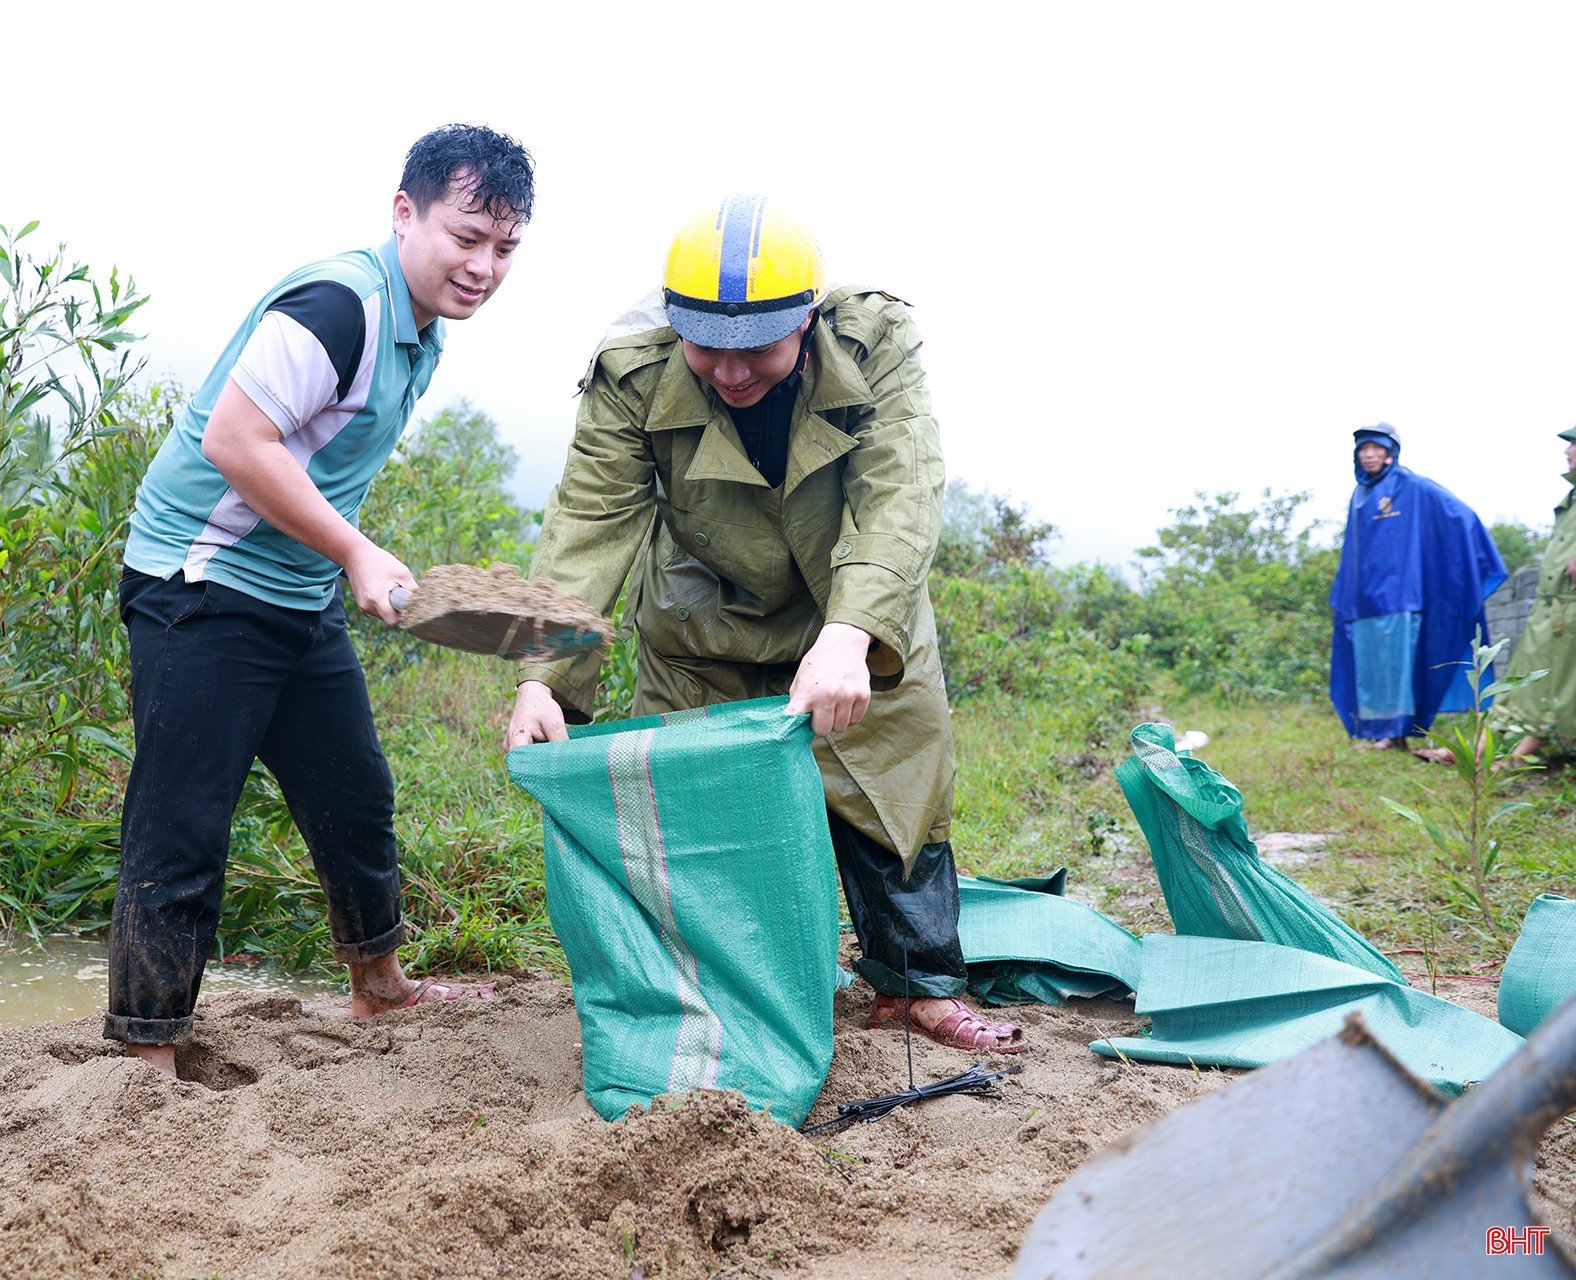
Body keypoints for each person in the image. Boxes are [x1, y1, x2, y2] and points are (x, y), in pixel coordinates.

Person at [505, 195, 1024, 1054]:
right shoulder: (632, 371)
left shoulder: (874, 341)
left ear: (808, 322)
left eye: (757, 350)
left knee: (893, 775)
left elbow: (899, 493)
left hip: (851, 597)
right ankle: (730, 996)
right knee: (700, 802)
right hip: (702, 614)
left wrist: (852, 636)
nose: (732, 371)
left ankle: (916, 989)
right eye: (707, 348)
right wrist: (540, 678)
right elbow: (589, 529)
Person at [110, 124, 534, 1077]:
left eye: (504, 248)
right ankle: (142, 1054)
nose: (483, 267)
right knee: (183, 819)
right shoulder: (340, 307)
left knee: (354, 794)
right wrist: (354, 550)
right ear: (404, 213)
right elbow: (235, 441)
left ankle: (379, 986)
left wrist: (342, 562)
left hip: (293, 593)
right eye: (465, 238)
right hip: (200, 582)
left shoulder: (422, 332)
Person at [1328, 424, 1507, 759]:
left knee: (1398, 669)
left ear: (1390, 453)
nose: (1368, 455)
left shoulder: (1412, 486)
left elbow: (1460, 514)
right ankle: (1377, 732)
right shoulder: (1360, 495)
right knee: (1372, 670)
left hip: (1401, 598)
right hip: (1365, 602)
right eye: (1362, 450)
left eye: (1375, 448)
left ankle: (1397, 735)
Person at [1493, 426, 1576, 763]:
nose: (1567, 450)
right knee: (1530, 682)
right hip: (1551, 607)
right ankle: (1491, 749)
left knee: (1554, 684)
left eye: (1573, 444)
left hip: (1569, 606)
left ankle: (1516, 755)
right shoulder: (1570, 499)